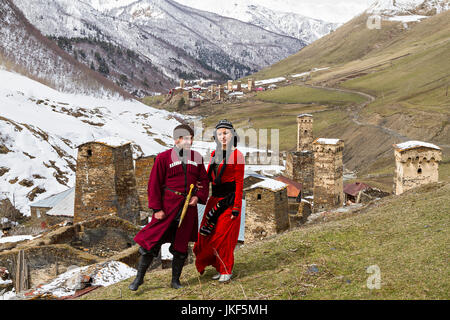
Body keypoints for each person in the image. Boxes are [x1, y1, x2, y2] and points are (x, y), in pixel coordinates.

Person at [129, 124, 209, 291]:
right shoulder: (163, 158)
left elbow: (204, 181)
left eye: (191, 138)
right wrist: (157, 209)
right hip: (167, 208)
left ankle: (175, 281)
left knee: (180, 247)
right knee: (150, 244)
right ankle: (139, 279)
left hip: (187, 209)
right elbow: (154, 184)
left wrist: (198, 197)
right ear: (176, 139)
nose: (189, 141)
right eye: (186, 138)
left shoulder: (197, 158)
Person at [193, 119, 245, 282]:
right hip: (213, 201)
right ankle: (218, 266)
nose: (223, 136)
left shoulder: (238, 155)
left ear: (232, 135)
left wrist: (236, 207)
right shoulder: (215, 154)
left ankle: (226, 269)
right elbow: (208, 177)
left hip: (228, 202)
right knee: (207, 236)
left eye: (226, 133)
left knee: (223, 238)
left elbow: (239, 183)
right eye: (220, 133)